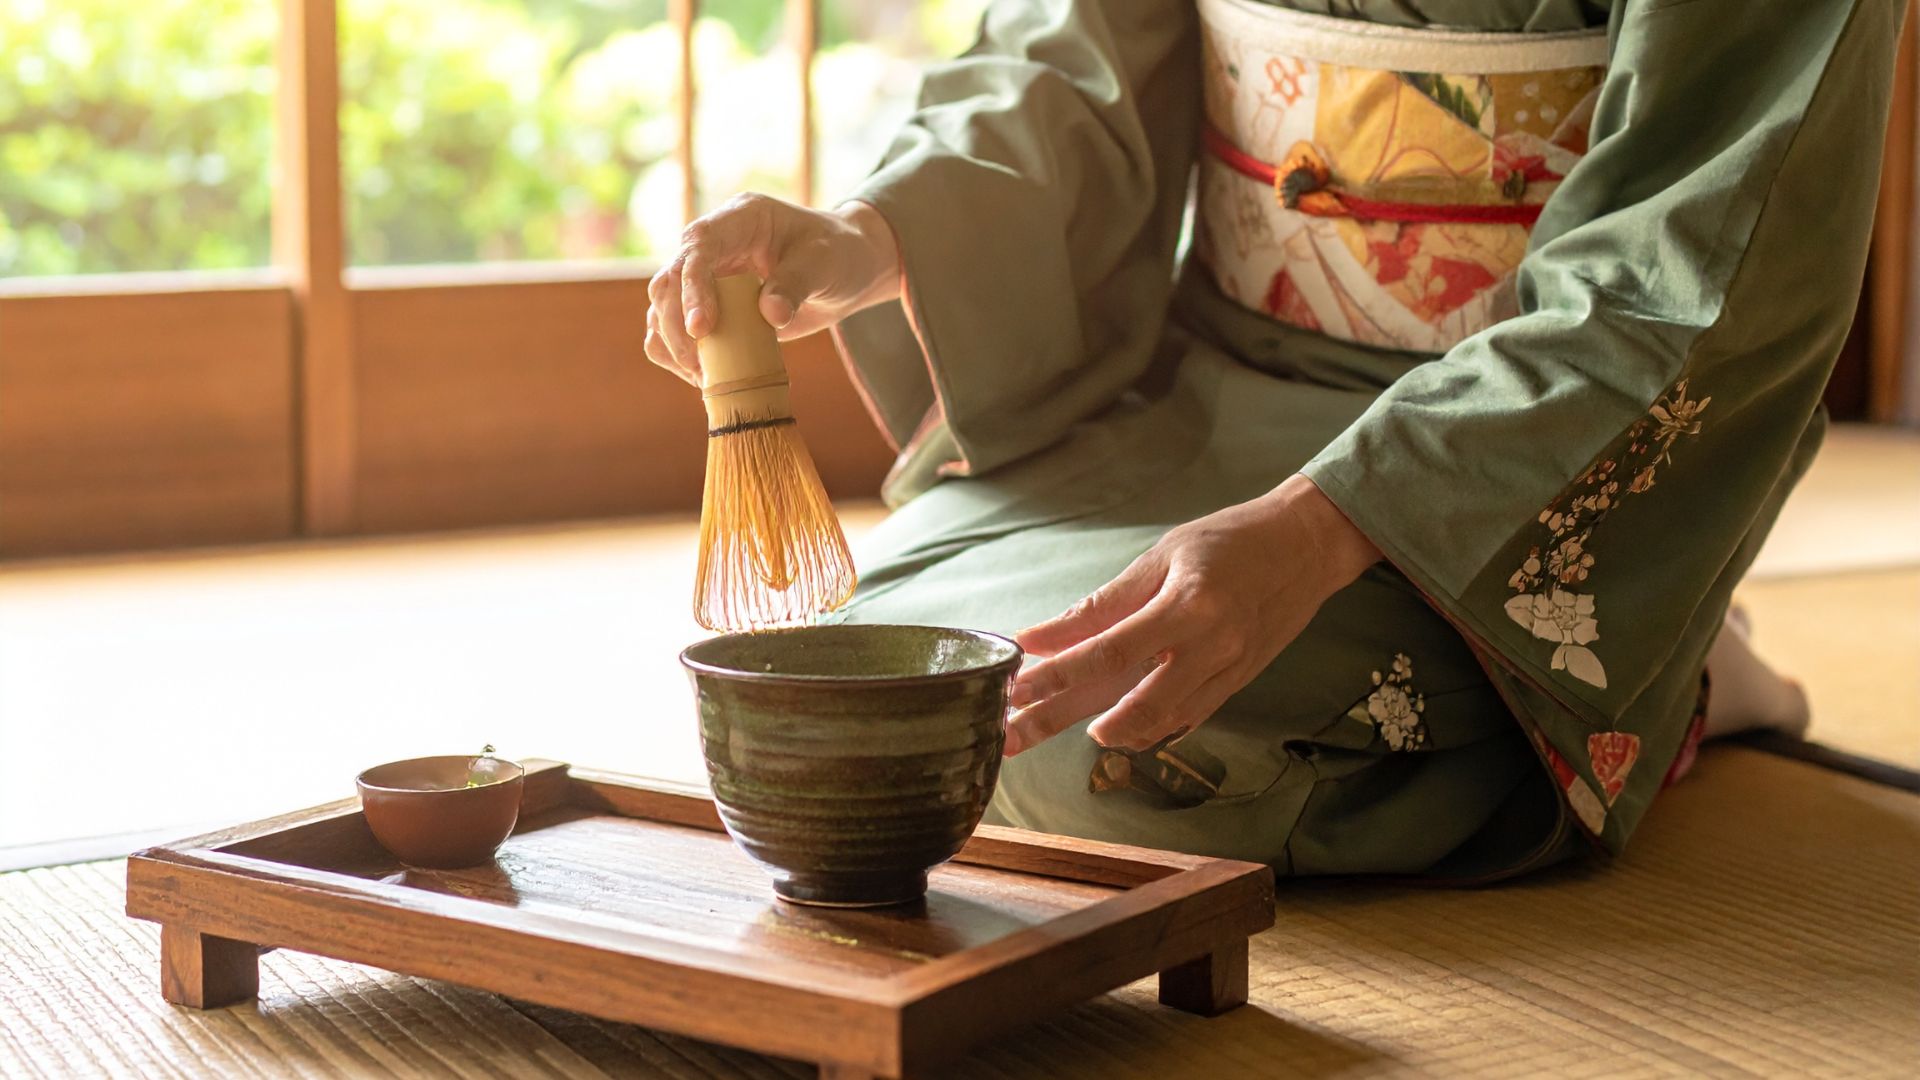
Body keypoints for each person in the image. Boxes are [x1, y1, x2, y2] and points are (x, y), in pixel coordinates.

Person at [645, 0, 1900, 880]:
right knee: (895, 671)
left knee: (1144, 743)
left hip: (1506, 462)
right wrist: (866, 241)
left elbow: (1684, 266)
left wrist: (1315, 533)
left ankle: (1664, 665)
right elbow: (1074, 59)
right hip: (1223, 384)